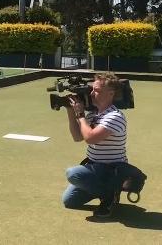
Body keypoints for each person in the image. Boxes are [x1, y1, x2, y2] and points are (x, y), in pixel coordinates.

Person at [61, 72, 127, 218]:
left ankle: (110, 194)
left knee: (73, 173)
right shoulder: (93, 115)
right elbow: (78, 137)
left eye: (96, 90)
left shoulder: (115, 116)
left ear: (110, 93)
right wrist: (70, 111)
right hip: (93, 167)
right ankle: (102, 190)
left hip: (111, 169)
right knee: (69, 201)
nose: (91, 93)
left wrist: (80, 115)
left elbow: (90, 139)